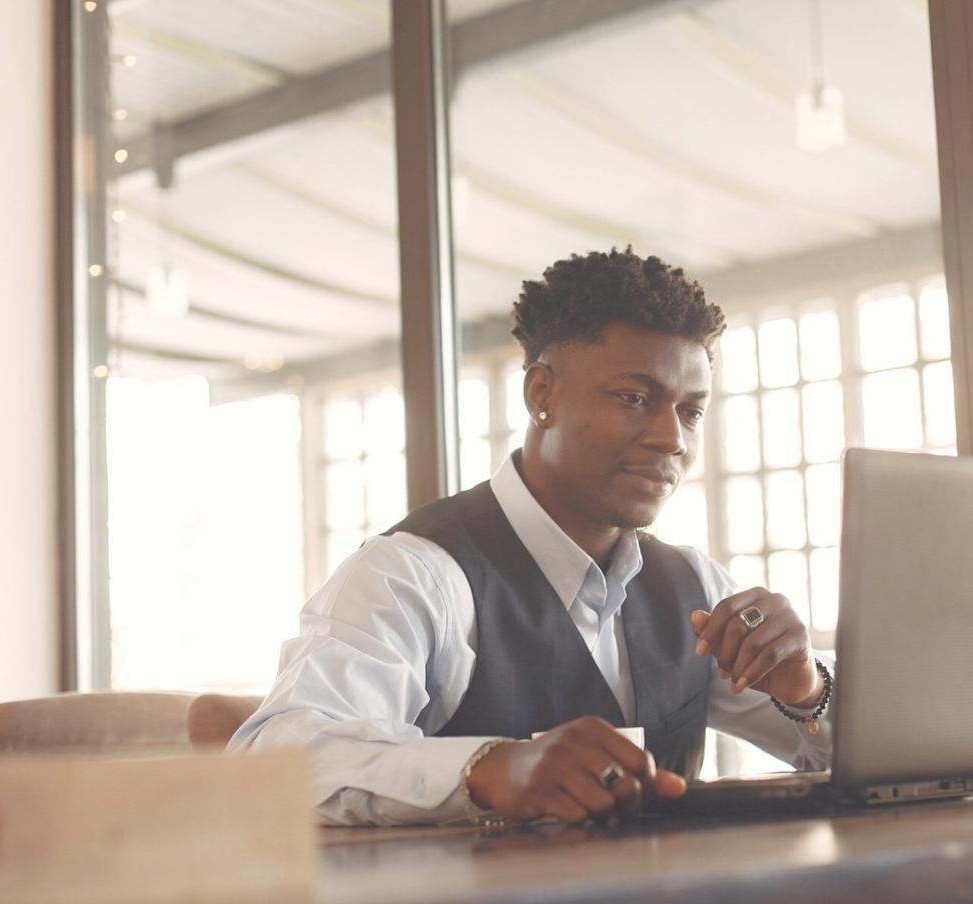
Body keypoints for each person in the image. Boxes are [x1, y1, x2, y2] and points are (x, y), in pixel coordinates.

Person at [230, 248, 833, 826]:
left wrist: (806, 688)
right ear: (542, 394)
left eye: (691, 411)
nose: (671, 437)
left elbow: (866, 758)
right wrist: (489, 769)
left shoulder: (693, 585)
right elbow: (276, 759)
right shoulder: (416, 573)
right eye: (634, 398)